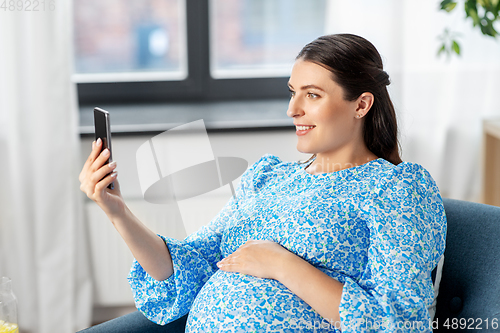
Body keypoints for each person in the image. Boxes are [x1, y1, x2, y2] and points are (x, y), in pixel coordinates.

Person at [78, 34, 446, 332]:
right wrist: (118, 212)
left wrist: (283, 265)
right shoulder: (268, 177)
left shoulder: (397, 189)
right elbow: (191, 265)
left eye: (312, 95)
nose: (293, 109)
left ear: (361, 105)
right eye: (293, 91)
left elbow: (400, 323)